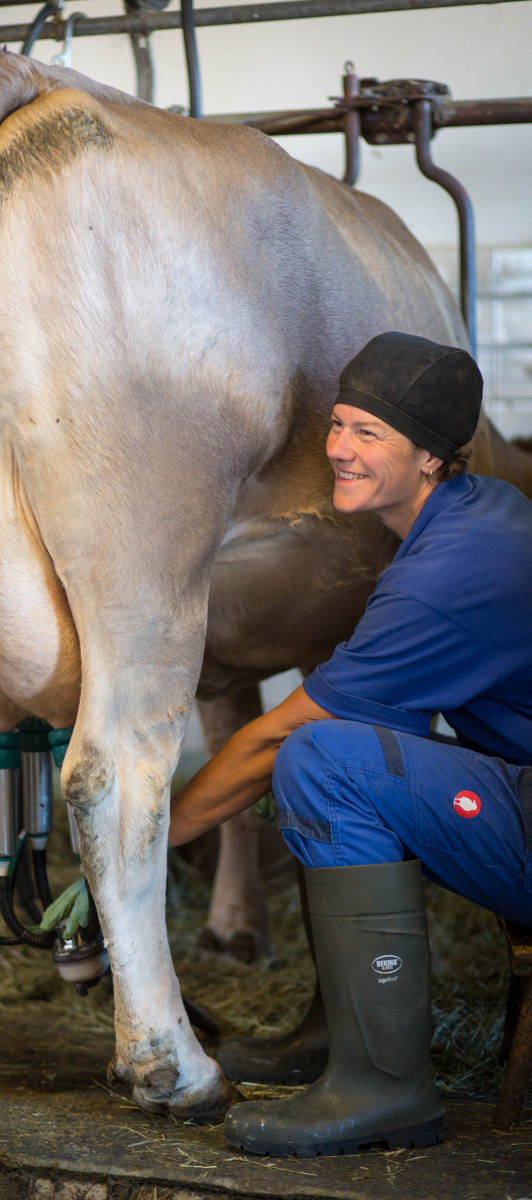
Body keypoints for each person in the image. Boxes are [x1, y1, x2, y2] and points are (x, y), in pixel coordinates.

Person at [168, 330, 532, 1158]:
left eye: (370, 434)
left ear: (433, 456)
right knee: (354, 743)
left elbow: (279, 737)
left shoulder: (450, 575)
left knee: (321, 760)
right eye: (338, 423)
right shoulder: (484, 511)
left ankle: (385, 1089)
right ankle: (338, 1036)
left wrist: (149, 839)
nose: (337, 449)